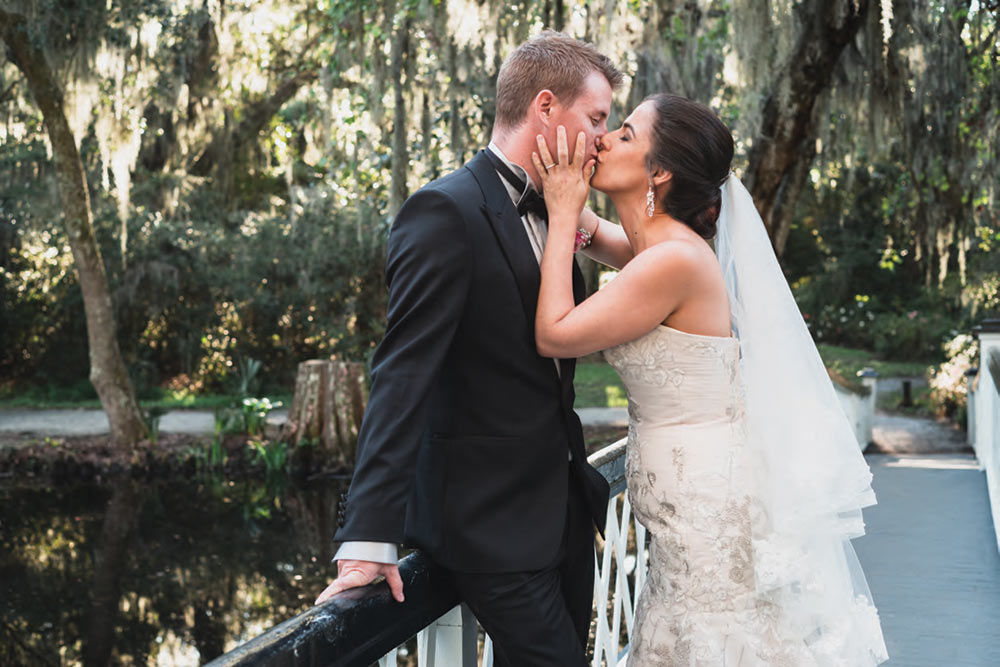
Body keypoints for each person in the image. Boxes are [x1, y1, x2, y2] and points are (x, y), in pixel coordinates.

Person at [534, 94, 889, 665]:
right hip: (687, 502)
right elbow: (593, 229)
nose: (603, 140)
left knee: (716, 637)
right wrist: (558, 176)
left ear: (660, 170)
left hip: (708, 505)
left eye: (624, 135)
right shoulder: (656, 249)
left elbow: (554, 332)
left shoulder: (674, 261)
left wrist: (557, 218)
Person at [314, 32, 624, 666]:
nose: (601, 137)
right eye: (596, 119)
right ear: (545, 108)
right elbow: (403, 374)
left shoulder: (563, 207)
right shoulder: (444, 211)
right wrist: (368, 536)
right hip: (485, 526)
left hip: (562, 516)